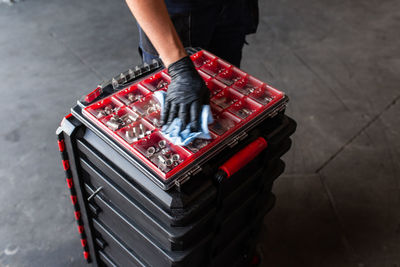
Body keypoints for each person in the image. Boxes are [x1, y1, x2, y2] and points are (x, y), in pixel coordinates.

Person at [125, 0, 259, 132]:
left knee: (225, 94)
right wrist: (178, 66)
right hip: (175, 16)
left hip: (234, 8)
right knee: (179, 116)